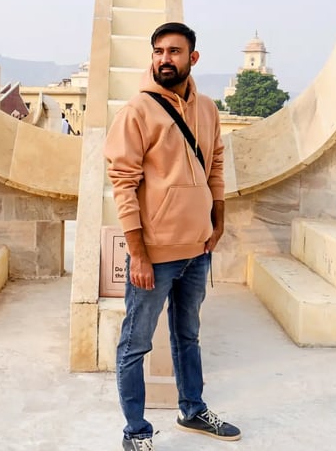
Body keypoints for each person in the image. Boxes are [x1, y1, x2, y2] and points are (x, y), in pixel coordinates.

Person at [104, 22, 241, 450]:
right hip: (155, 253)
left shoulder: (208, 109)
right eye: (158, 51)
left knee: (188, 335)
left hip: (198, 250)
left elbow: (215, 162)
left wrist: (218, 215)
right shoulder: (137, 111)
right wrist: (139, 254)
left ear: (192, 58)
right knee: (135, 343)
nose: (165, 59)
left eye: (175, 51)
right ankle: (136, 432)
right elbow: (123, 183)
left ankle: (192, 410)